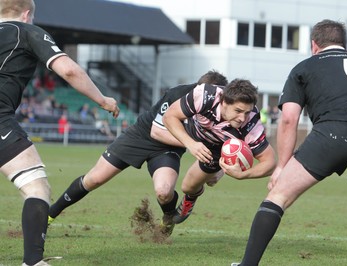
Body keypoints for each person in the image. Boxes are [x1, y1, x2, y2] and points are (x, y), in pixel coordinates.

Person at [231, 19, 347, 266]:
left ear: (314, 45)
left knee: (278, 197)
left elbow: (289, 119)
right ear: (345, 43)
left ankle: (248, 265)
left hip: (329, 136)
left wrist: (282, 166)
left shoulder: (304, 68)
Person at [0, 1, 120, 265]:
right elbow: (68, 70)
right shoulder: (26, 30)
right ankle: (33, 261)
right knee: (36, 186)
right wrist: (102, 100)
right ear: (26, 14)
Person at [47, 71, 228, 236]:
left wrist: (219, 170)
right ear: (198, 89)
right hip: (141, 136)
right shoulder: (178, 94)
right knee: (94, 179)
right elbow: (156, 132)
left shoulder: (222, 109)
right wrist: (193, 144)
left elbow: (230, 146)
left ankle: (168, 217)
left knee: (164, 192)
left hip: (169, 148)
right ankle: (50, 215)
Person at [161, 78, 276, 224]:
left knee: (188, 187)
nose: (242, 118)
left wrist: (242, 175)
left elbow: (271, 162)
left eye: (246, 112)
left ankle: (193, 195)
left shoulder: (251, 123)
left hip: (217, 148)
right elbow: (169, 116)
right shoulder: (204, 96)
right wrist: (191, 144)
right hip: (192, 131)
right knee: (155, 131)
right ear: (224, 102)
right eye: (238, 111)